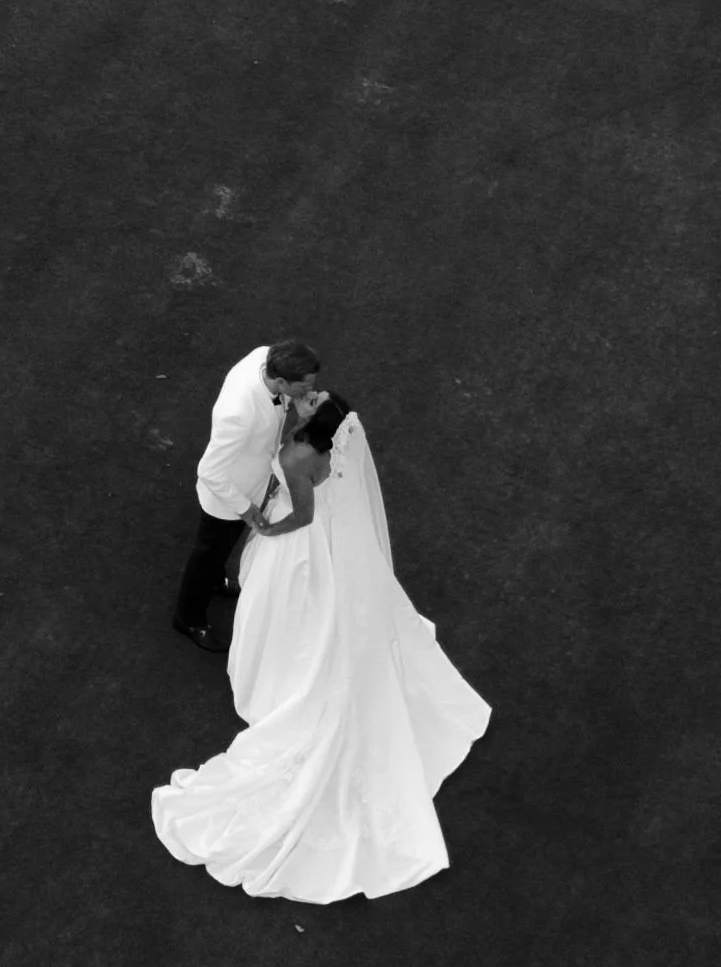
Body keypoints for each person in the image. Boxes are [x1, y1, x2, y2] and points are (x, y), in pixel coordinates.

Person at [152, 396, 491, 902]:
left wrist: (265, 528)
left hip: (295, 537)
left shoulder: (297, 458)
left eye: (311, 400)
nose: (304, 398)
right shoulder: (330, 441)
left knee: (284, 605)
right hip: (310, 523)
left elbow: (304, 516)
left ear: (316, 420)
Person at [171, 338, 324, 654]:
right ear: (280, 380)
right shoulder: (238, 413)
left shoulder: (264, 357)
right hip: (228, 498)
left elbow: (276, 406)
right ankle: (189, 617)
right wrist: (245, 509)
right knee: (208, 554)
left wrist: (295, 405)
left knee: (220, 550)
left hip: (252, 478)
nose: (311, 390)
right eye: (305, 385)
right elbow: (210, 471)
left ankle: (214, 582)